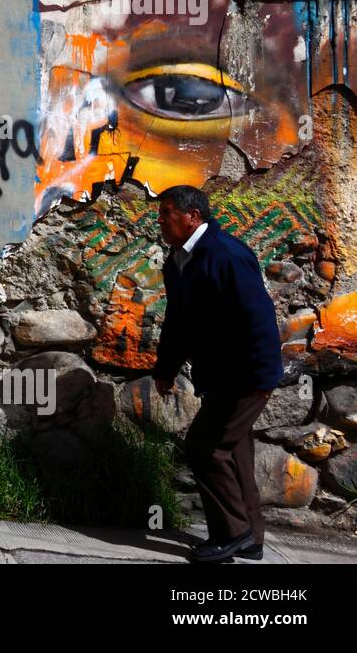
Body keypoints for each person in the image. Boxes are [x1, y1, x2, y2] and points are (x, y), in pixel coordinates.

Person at [152, 184, 284, 564]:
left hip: (246, 374)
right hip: (221, 374)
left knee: (206, 447)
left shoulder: (225, 254)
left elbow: (257, 316)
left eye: (167, 213)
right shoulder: (177, 259)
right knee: (235, 450)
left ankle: (233, 534)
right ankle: (252, 538)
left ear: (193, 217)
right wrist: (166, 367)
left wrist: (259, 377)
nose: (161, 220)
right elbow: (178, 320)